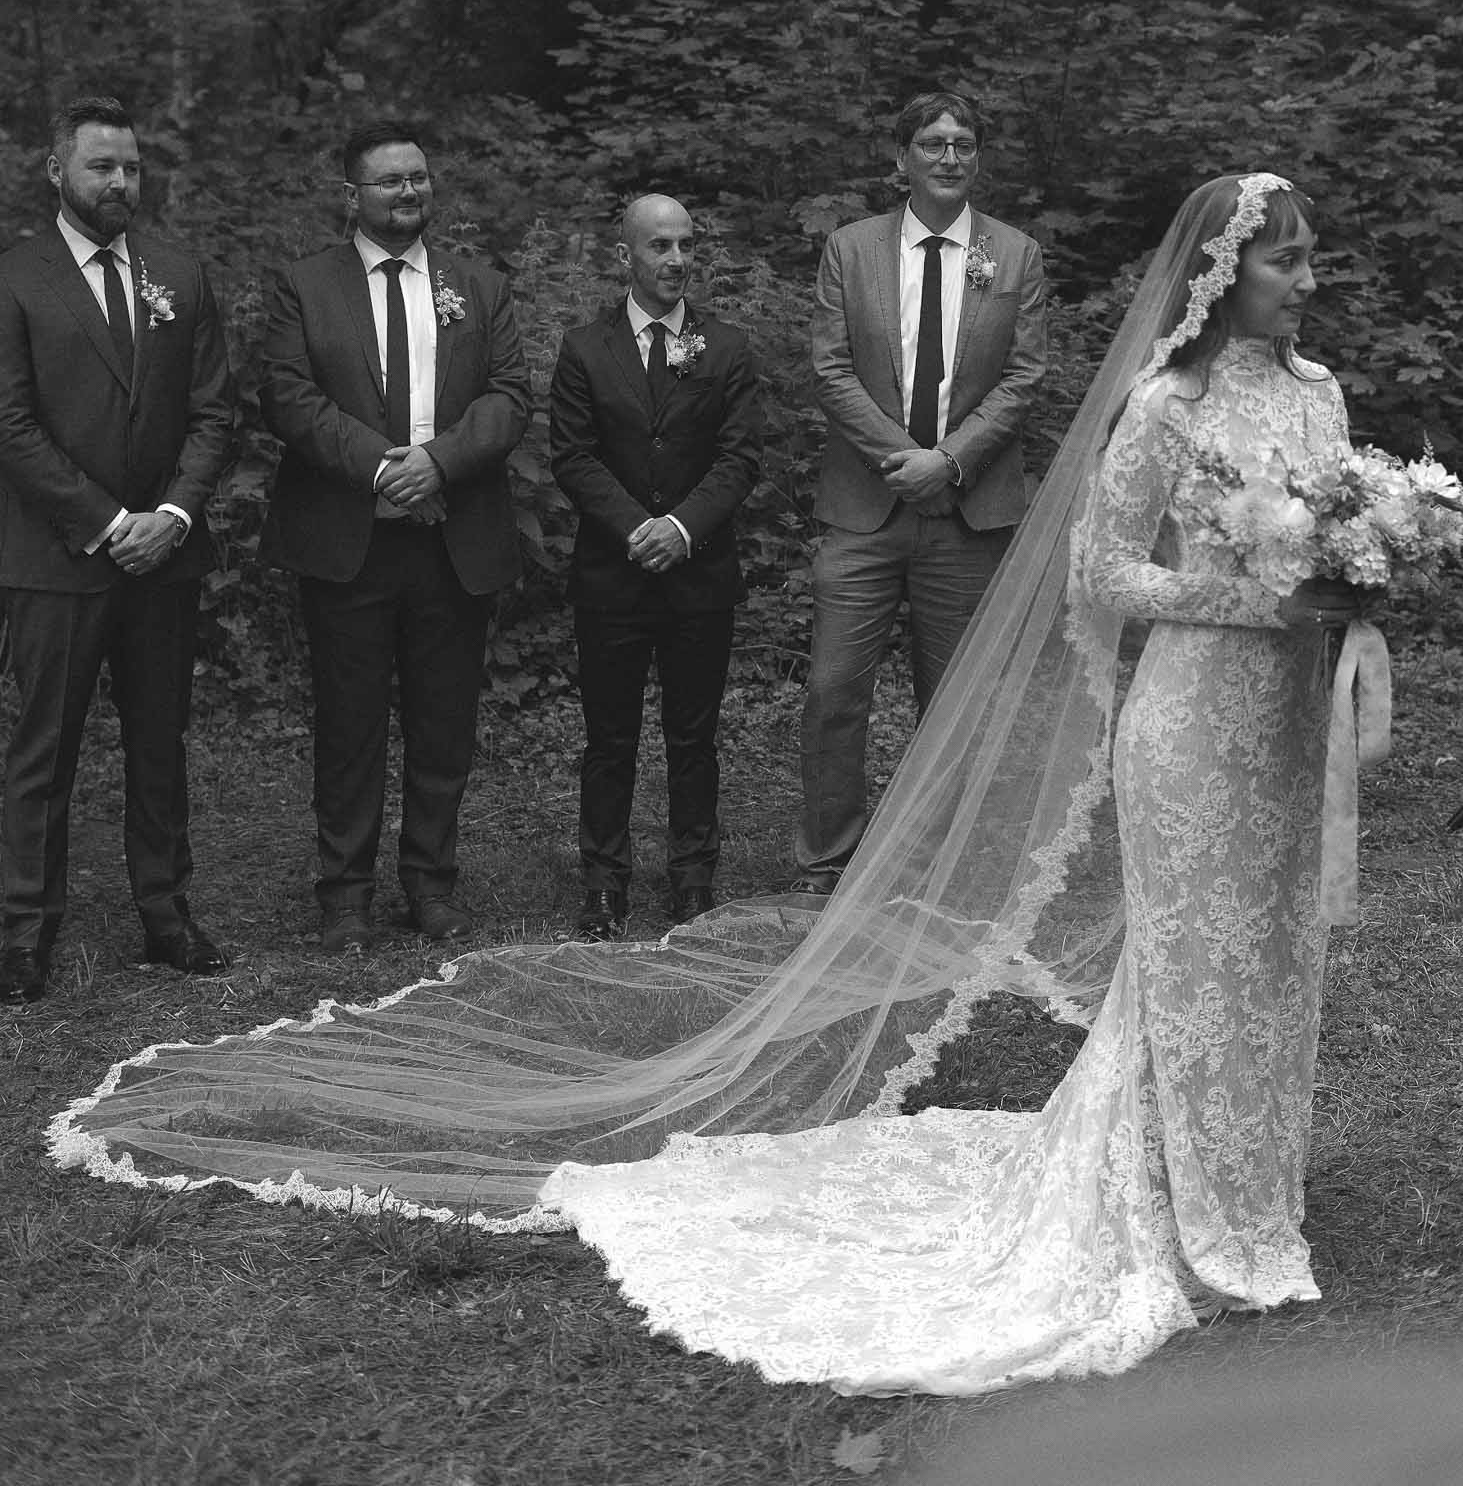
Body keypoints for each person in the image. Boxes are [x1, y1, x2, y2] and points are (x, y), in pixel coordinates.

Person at [60, 173, 1382, 1404]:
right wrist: (1246, 599)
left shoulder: (1316, 398)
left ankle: (1254, 1185)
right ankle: (1171, 1193)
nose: (1306, 280)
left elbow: (1338, 533)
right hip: (1188, 726)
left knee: (1270, 963)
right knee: (1188, 967)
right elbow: (1103, 575)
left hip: (1278, 729)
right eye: (1285, 259)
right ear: (1220, 272)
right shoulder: (1163, 408)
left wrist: (1365, 578)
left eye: (1312, 257)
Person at [258, 124, 531, 953]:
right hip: (350, 540)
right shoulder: (304, 286)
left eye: (418, 178)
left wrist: (439, 464)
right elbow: (288, 397)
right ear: (351, 196)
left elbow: (511, 395)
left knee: (443, 722)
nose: (408, 193)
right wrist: (383, 469)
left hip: (450, 535)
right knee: (348, 724)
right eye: (389, 182)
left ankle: (430, 883)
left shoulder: (476, 287)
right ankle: (344, 893)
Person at [0, 96, 233, 1006]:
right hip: (55, 559)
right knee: (42, 751)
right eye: (102, 167)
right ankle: (23, 932)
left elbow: (214, 411)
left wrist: (171, 514)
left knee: (158, 742)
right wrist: (104, 523)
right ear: (58, 172)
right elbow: (11, 424)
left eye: (131, 167)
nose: (120, 183)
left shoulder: (178, 270)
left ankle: (166, 913)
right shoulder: (16, 276)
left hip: (164, 556)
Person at [794, 90, 1046, 896]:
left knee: (957, 701)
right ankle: (829, 855)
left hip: (968, 514)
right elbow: (830, 368)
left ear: (978, 158)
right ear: (901, 157)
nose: (948, 157)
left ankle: (942, 862)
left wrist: (952, 462)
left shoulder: (1015, 255)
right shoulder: (851, 249)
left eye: (963, 143)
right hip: (865, 508)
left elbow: (1025, 375)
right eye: (932, 142)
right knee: (834, 688)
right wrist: (907, 460)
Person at [549, 195, 762, 939]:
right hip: (613, 573)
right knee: (608, 738)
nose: (675, 261)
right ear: (625, 257)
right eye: (659, 248)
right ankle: (603, 881)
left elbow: (739, 458)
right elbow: (572, 455)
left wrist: (680, 528)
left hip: (698, 573)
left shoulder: (726, 346)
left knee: (693, 734)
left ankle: (692, 878)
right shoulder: (584, 348)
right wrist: (637, 528)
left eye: (685, 246)